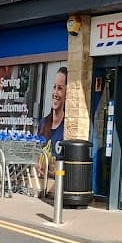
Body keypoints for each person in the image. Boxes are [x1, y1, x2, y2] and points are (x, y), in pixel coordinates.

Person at [38, 66, 67, 199]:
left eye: (60, 88)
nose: (55, 92)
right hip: (41, 182)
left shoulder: (68, 126)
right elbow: (37, 152)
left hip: (56, 185)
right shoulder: (43, 123)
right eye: (54, 87)